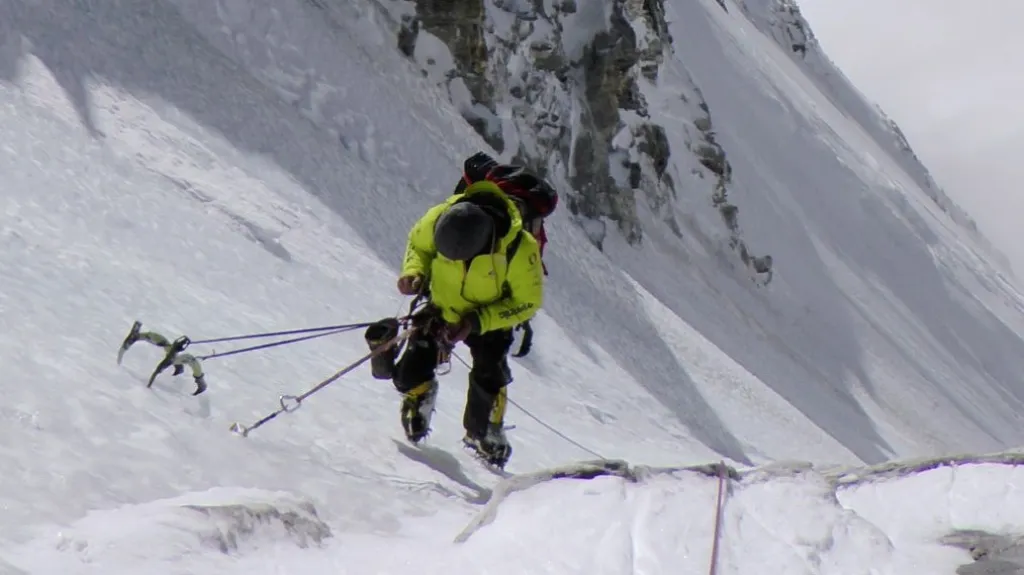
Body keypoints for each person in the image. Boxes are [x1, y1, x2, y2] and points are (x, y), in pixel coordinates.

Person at [391, 177, 544, 467]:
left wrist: (477, 321)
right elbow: (419, 245)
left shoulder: (519, 248)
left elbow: (527, 302)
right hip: (441, 307)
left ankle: (485, 430)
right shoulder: (438, 217)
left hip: (489, 319)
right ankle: (419, 393)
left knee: (490, 374)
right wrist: (414, 272)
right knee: (408, 372)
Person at [452, 152, 558, 357]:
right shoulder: (523, 233)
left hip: (470, 286)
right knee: (489, 370)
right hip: (493, 301)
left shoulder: (472, 215)